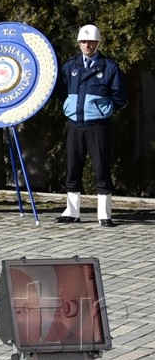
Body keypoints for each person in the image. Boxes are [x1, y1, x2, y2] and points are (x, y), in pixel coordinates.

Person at [55, 24, 127, 227]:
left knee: (101, 167)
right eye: (84, 42)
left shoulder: (109, 67)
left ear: (97, 43)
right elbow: (62, 92)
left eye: (91, 42)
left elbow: (120, 97)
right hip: (75, 124)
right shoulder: (70, 66)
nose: (87, 45)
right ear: (79, 43)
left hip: (98, 126)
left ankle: (104, 214)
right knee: (72, 166)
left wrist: (103, 110)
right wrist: (71, 108)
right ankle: (72, 210)